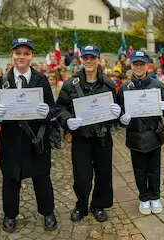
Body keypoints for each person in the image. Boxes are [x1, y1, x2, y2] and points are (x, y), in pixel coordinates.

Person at [0, 38, 57, 233]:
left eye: (26, 53)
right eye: (18, 52)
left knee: (42, 178)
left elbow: (52, 109)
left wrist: (47, 113)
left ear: (31, 56)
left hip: (36, 139)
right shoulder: (2, 82)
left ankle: (48, 212)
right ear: (12, 55)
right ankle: (10, 214)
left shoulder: (41, 80)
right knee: (11, 179)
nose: (22, 56)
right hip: (11, 140)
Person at [56, 45, 121, 223]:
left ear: (99, 60)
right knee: (82, 177)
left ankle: (98, 205)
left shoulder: (109, 84)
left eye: (93, 58)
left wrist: (117, 113)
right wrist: (68, 120)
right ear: (81, 60)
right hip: (81, 139)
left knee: (104, 174)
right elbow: (59, 107)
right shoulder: (71, 84)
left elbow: (117, 111)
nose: (89, 61)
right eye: (86, 58)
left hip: (102, 138)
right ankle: (81, 205)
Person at [116, 50, 164, 215]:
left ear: (147, 66)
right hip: (135, 136)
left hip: (154, 135)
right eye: (136, 64)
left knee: (154, 168)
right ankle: (144, 197)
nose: (139, 67)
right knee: (139, 169)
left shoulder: (158, 86)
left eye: (142, 64)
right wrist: (122, 119)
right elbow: (118, 113)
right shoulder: (124, 88)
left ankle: (155, 196)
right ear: (131, 66)